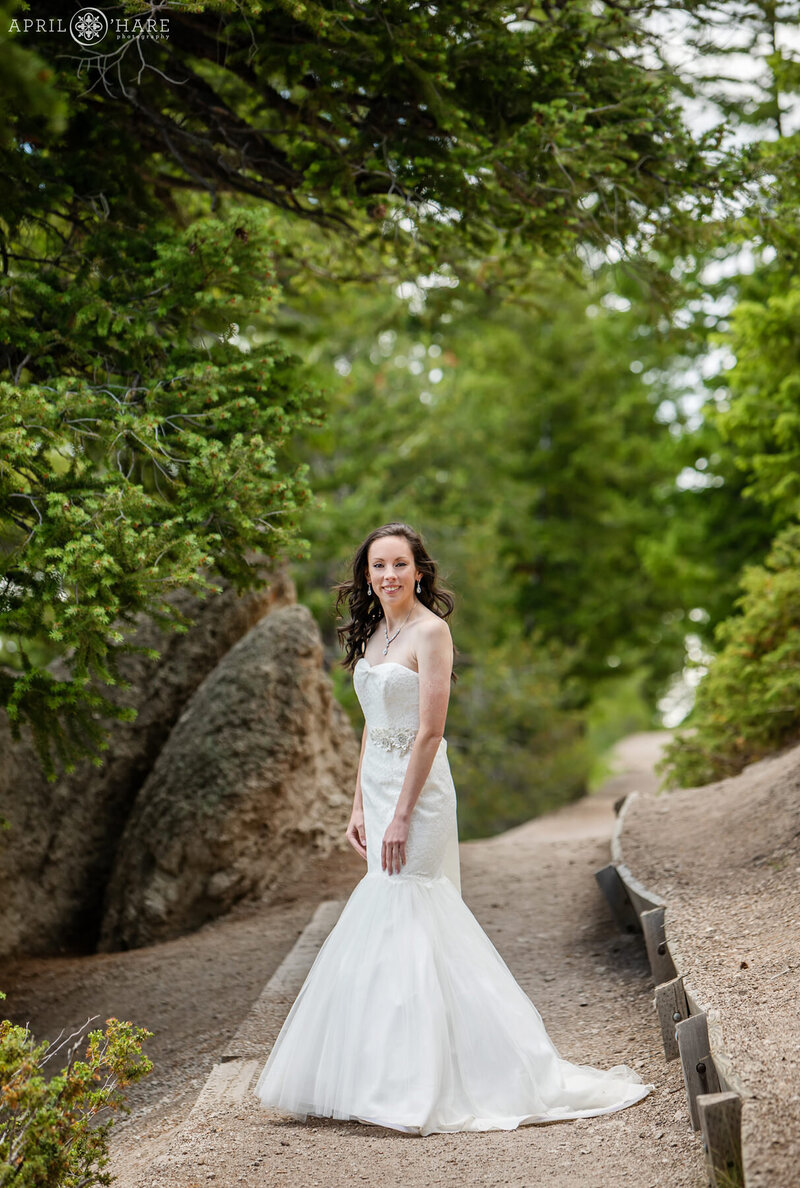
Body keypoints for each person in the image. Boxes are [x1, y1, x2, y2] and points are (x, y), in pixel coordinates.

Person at [253, 521, 654, 1135]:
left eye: (399, 565)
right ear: (367, 574)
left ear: (419, 571)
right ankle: (378, 1073)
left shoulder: (431, 632)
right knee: (386, 918)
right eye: (377, 565)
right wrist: (360, 805)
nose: (388, 575)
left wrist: (402, 814)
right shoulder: (374, 634)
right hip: (381, 785)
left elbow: (429, 731)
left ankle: (433, 1078)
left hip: (421, 793)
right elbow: (371, 726)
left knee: (412, 907)